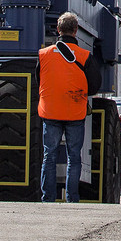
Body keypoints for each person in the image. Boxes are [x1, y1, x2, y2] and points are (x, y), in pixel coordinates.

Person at [37, 11, 101, 203]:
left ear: (58, 30)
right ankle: (72, 198)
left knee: (49, 155)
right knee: (74, 157)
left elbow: (38, 81)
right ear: (75, 31)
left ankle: (47, 198)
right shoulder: (84, 56)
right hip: (74, 111)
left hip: (50, 111)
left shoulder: (44, 55)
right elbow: (94, 85)